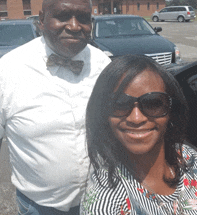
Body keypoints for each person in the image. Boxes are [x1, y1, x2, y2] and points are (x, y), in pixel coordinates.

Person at [0, 0, 111, 215]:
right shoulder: (8, 71)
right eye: (62, 15)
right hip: (39, 208)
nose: (73, 25)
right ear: (41, 19)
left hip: (104, 202)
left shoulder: (104, 65)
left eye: (83, 17)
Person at [81, 55, 197, 215]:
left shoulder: (188, 156)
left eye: (153, 103)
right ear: (103, 115)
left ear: (171, 110)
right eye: (119, 104)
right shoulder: (106, 204)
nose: (136, 118)